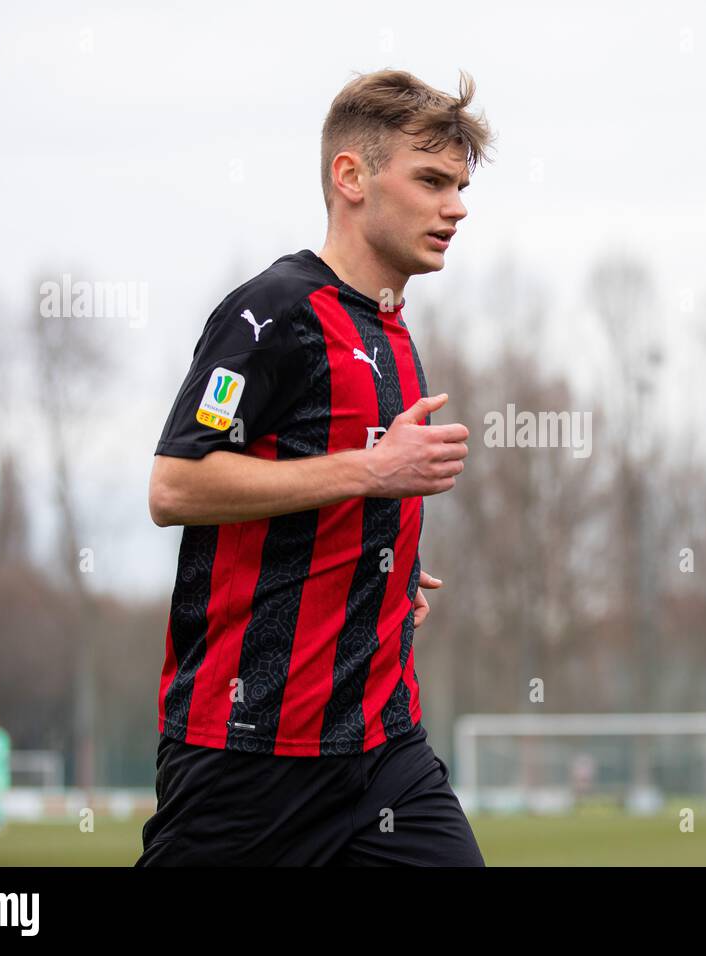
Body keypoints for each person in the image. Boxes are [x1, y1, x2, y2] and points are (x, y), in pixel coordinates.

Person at [136, 68, 494, 866]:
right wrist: (372, 474)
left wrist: (387, 568)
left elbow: (327, 480)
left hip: (380, 750)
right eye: (432, 180)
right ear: (352, 177)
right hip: (249, 752)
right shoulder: (272, 311)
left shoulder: (391, 331)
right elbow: (176, 485)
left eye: (462, 187)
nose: (457, 207)